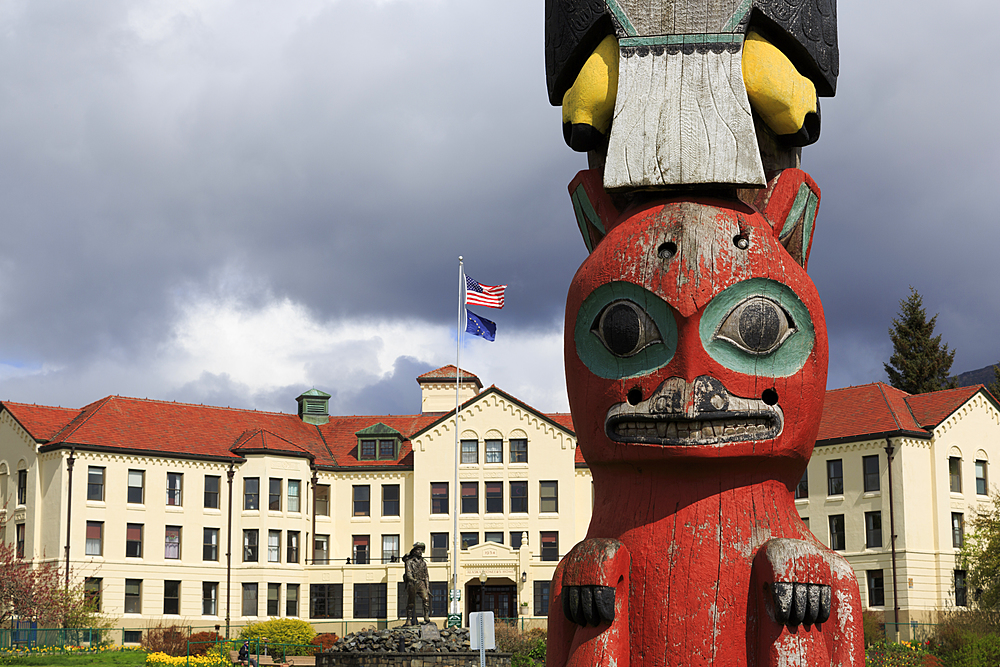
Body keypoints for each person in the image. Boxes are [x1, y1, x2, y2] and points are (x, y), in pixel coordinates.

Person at [402, 541, 432, 625]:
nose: (420, 552)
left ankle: (426, 616)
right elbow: (408, 573)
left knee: (426, 599)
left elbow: (426, 576)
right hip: (412, 583)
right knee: (411, 602)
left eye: (421, 550)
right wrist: (412, 579)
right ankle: (408, 620)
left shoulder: (423, 563)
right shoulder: (410, 562)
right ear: (414, 552)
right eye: (418, 550)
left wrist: (427, 588)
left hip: (421, 583)